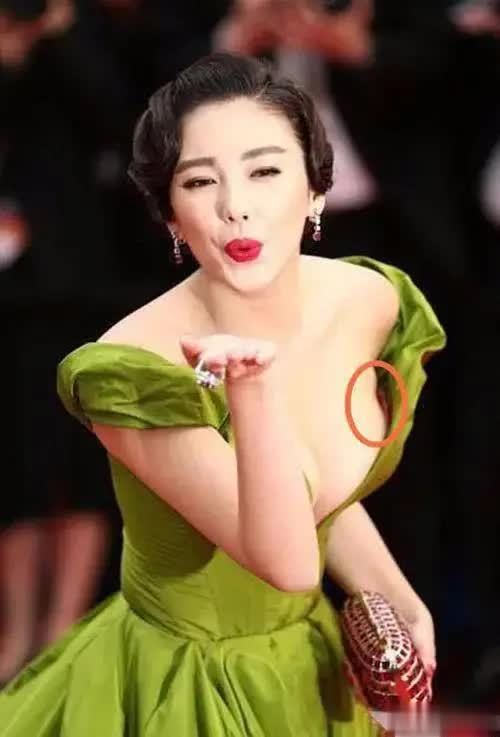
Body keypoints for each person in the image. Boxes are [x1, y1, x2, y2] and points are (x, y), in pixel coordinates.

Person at [0, 52, 446, 735]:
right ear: (171, 218)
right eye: (199, 181)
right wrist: (253, 392)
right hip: (183, 687)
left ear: (317, 188)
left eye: (264, 171)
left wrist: (395, 594)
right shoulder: (134, 368)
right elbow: (287, 561)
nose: (235, 206)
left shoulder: (366, 300)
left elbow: (319, 491)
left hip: (307, 662)